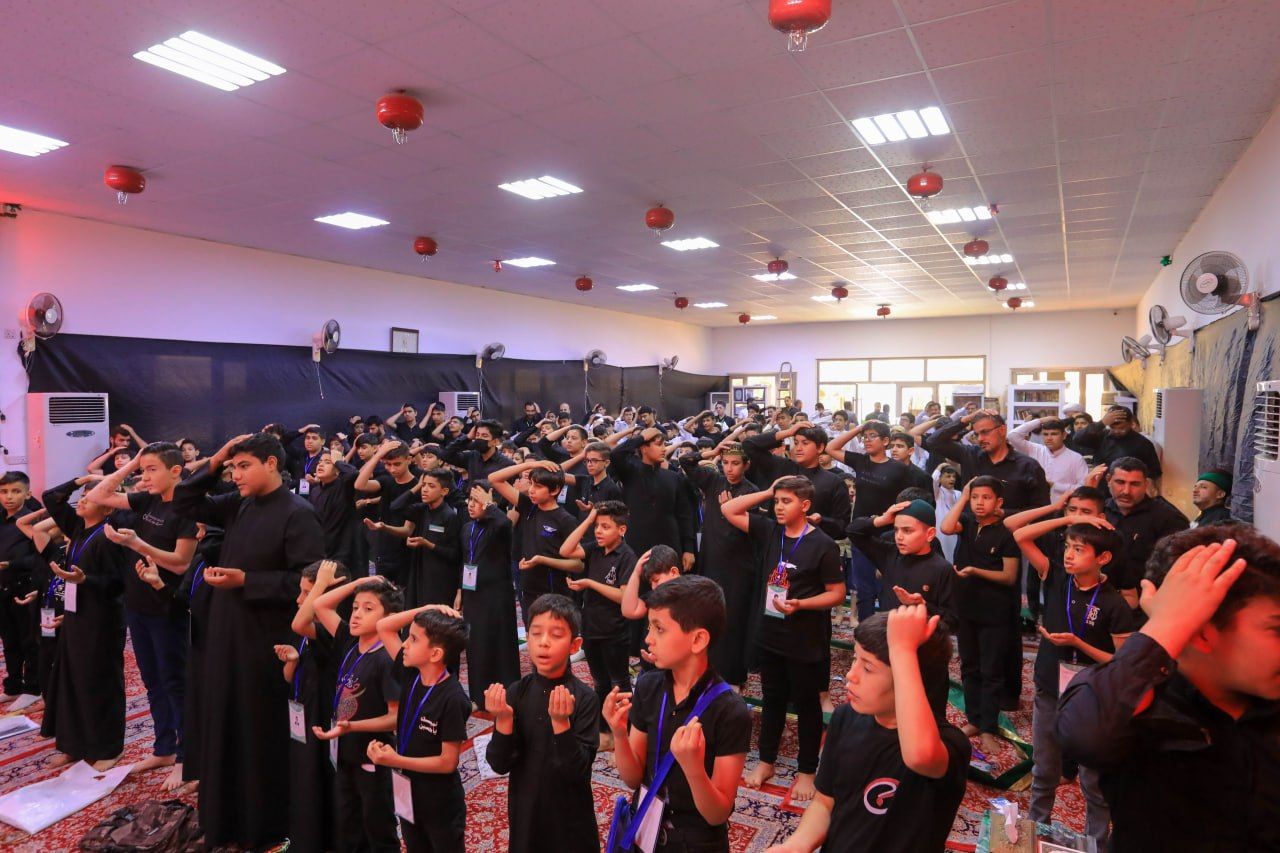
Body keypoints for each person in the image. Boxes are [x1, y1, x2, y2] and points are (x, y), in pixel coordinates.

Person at [1057, 527, 1279, 852]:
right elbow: (1086, 736)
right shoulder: (1147, 703)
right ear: (1200, 631)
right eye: (1275, 630)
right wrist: (1165, 624)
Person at [172, 432, 324, 848]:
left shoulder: (298, 513)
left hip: (265, 638)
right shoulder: (240, 503)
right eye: (232, 467)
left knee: (257, 728)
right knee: (225, 719)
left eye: (244, 466)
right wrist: (219, 456)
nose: (235, 475)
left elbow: (309, 583)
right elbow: (184, 500)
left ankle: (263, 823)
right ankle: (225, 818)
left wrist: (247, 581)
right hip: (227, 631)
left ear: (271, 464)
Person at [764, 607, 969, 853]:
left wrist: (903, 650)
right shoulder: (845, 718)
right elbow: (825, 803)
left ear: (910, 677)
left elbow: (919, 756)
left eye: (868, 668)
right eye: (855, 659)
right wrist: (797, 845)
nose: (851, 675)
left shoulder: (948, 744)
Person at [604, 575, 752, 852]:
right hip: (645, 830)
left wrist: (694, 768)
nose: (648, 639)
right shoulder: (648, 687)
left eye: (659, 629)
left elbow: (717, 813)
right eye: (649, 627)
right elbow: (632, 778)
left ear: (698, 640)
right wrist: (620, 734)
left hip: (696, 843)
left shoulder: (730, 711)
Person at [1010, 514, 1132, 843]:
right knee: (1043, 769)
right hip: (1050, 687)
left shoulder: (1113, 603)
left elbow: (1122, 662)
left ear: (1103, 558)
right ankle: (1037, 832)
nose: (1068, 555)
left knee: (1092, 780)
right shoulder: (1056, 578)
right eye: (1067, 547)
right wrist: (1072, 517)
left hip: (1092, 698)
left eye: (1079, 549)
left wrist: (1078, 643)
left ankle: (1096, 843)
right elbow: (1020, 535)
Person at [722, 476, 844, 800]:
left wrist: (802, 604)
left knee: (806, 704)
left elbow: (836, 593)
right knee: (772, 698)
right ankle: (766, 761)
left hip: (804, 637)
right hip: (770, 632)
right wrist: (768, 490)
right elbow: (729, 509)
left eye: (786, 501)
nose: (778, 507)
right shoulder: (770, 531)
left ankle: (807, 771)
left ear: (805, 505)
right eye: (776, 501)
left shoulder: (823, 544)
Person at [86, 443, 199, 783]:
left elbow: (180, 564)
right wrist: (134, 460)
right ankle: (164, 747)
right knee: (152, 681)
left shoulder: (187, 509)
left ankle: (187, 756)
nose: (144, 476)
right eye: (143, 470)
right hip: (137, 605)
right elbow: (100, 495)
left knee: (174, 681)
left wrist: (136, 544)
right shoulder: (148, 499)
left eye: (152, 470)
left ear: (175, 471)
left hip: (166, 607)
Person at [486, 594, 601, 853]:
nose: (544, 642)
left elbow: (577, 772)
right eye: (536, 634)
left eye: (556, 635)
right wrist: (503, 719)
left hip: (570, 820)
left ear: (574, 645)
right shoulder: (517, 692)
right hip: (526, 812)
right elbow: (499, 763)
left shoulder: (585, 698)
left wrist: (561, 724)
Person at [39, 473, 129, 770]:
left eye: (91, 498)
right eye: (83, 496)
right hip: (76, 614)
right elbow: (51, 498)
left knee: (99, 682)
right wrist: (82, 480)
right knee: (71, 680)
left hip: (103, 620)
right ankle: (73, 745)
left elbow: (118, 584)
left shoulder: (110, 535)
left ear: (108, 506)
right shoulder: (78, 527)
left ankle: (108, 748)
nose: (82, 501)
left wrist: (85, 580)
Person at [312, 576, 403, 853]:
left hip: (373, 755)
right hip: (345, 752)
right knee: (349, 824)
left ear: (388, 619)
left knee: (377, 825)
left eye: (368, 608)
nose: (356, 615)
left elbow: (395, 717)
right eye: (354, 607)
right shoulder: (350, 643)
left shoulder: (387, 659)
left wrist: (354, 726)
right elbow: (320, 605)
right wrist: (361, 582)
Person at [370, 603, 472, 852]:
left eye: (413, 639)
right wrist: (427, 608)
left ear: (435, 654)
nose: (404, 644)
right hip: (408, 791)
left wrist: (396, 759)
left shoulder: (453, 698)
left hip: (439, 801)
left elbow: (447, 762)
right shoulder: (411, 675)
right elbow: (383, 627)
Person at [940, 476, 1021, 756]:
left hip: (995, 611)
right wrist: (963, 497)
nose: (979, 503)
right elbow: (945, 527)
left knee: (991, 670)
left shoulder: (1006, 533)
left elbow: (1009, 576)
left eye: (985, 498)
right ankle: (974, 720)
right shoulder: (967, 524)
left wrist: (976, 571)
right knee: (969, 666)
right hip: (966, 607)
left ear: (999, 502)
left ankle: (988, 727)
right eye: (975, 497)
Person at [279, 559, 347, 853]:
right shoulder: (309, 631)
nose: (299, 599)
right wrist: (292, 661)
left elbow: (298, 622)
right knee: (302, 778)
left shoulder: (334, 629)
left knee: (319, 781)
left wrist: (321, 585)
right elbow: (288, 677)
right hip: (302, 713)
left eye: (306, 592)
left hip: (322, 716)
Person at [679, 442, 760, 685]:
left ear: (746, 465)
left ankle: (734, 676)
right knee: (708, 616)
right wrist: (712, 452)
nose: (729, 468)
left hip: (738, 565)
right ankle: (707, 670)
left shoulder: (751, 491)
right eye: (725, 463)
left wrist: (729, 511)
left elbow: (755, 531)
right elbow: (686, 462)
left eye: (735, 463)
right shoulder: (714, 481)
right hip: (711, 560)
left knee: (734, 621)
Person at [560, 501, 637, 748]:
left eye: (605, 526)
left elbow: (623, 596)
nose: (598, 531)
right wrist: (588, 519)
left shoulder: (627, 556)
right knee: (600, 683)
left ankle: (627, 734)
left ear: (622, 530)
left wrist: (590, 584)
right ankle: (605, 731)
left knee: (619, 683)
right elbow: (565, 549)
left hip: (614, 631)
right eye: (597, 526)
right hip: (591, 627)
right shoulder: (595, 549)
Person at [489, 458, 583, 616]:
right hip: (528, 588)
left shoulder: (566, 520)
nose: (531, 490)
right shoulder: (529, 507)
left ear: (555, 490)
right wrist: (531, 464)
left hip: (554, 592)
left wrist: (542, 560)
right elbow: (494, 479)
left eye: (538, 486)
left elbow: (578, 565)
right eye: (531, 484)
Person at [847, 499, 957, 628]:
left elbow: (952, 622)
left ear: (930, 534)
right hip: (887, 634)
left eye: (907, 530)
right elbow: (853, 531)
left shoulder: (942, 569)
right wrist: (881, 520)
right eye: (896, 530)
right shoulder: (889, 555)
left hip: (923, 638)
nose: (899, 536)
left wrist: (922, 605)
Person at [457, 481, 520, 706]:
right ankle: (478, 695)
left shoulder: (498, 525)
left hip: (497, 595)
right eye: (470, 500)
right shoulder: (467, 528)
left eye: (477, 500)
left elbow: (504, 523)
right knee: (475, 644)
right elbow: (464, 560)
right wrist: (459, 591)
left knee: (500, 643)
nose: (471, 505)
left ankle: (508, 693)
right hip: (472, 592)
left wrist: (490, 504)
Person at [1101, 457, 1189, 608]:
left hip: (1147, 602)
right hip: (1099, 598)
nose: (1126, 491)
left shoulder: (1168, 518)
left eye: (1134, 484)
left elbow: (1177, 566)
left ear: (1146, 484)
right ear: (1109, 480)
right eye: (1120, 482)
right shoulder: (1099, 511)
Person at [742, 421, 851, 542]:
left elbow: (843, 527)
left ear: (820, 447)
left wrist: (821, 520)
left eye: (805, 443)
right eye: (796, 442)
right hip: (777, 542)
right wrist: (788, 432)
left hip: (813, 545)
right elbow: (748, 445)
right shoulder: (782, 467)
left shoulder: (834, 482)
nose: (798, 448)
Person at [923, 409, 1050, 513]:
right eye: (977, 434)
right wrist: (966, 419)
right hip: (972, 532)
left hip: (1011, 533)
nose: (980, 439)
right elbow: (933, 441)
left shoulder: (1028, 466)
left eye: (985, 432)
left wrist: (1004, 513)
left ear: (1002, 430)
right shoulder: (970, 455)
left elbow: (1041, 510)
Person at [609, 426, 698, 571]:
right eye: (658, 445)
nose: (664, 449)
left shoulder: (674, 478)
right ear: (644, 448)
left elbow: (685, 515)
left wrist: (689, 549)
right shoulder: (630, 473)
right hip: (636, 545)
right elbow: (615, 454)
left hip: (670, 545)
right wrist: (641, 438)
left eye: (664, 445)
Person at [0, 471, 42, 711]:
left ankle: (33, 688)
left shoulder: (33, 521)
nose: (9, 497)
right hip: (2, 588)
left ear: (27, 494)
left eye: (15, 491)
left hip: (25, 587)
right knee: (9, 639)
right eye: (4, 492)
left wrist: (11, 564)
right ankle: (13, 685)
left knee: (29, 640)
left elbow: (41, 557)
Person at [394, 468, 463, 611]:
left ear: (444, 491)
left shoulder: (450, 516)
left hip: (439, 581)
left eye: (431, 486)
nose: (424, 490)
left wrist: (428, 544)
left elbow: (455, 554)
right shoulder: (422, 510)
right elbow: (395, 507)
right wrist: (416, 487)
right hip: (418, 575)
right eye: (423, 485)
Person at [355, 440, 419, 585]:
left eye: (397, 464)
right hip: (382, 549)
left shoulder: (417, 487)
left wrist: (384, 527)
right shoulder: (387, 481)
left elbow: (407, 530)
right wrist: (378, 455)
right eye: (388, 464)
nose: (392, 469)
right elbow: (359, 485)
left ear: (408, 460)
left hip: (404, 552)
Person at [1008, 416, 1089, 503]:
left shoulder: (1076, 458)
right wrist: (1041, 420)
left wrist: (1055, 486)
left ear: (1064, 435)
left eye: (1054, 434)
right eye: (1045, 434)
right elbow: (1012, 435)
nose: (1049, 438)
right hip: (1035, 507)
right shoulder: (1035, 449)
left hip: (1063, 507)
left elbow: (1084, 488)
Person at [1090, 406, 1163, 479]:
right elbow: (1082, 438)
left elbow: (1155, 471)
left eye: (1121, 428)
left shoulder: (1143, 443)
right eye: (1113, 428)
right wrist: (1101, 423)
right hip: (1101, 483)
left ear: (1131, 424)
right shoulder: (1101, 438)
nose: (1116, 431)